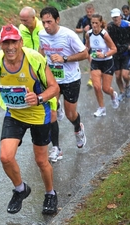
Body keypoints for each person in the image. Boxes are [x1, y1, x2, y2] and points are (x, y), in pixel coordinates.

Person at [0, 24, 60, 215]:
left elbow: (54, 87)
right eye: (6, 42)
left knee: (41, 161)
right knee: (5, 157)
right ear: (0, 44)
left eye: (13, 41)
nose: (10, 47)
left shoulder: (34, 59)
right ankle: (20, 189)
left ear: (20, 42)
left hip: (38, 115)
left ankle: (50, 193)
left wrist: (39, 98)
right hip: (15, 114)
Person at [39, 6, 89, 151]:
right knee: (51, 113)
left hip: (70, 79)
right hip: (52, 80)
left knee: (70, 115)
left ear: (57, 20)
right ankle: (56, 148)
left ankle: (78, 128)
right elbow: (41, 51)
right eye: (44, 22)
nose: (46, 26)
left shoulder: (69, 35)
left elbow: (84, 54)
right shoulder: (42, 34)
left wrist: (64, 58)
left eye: (49, 22)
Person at [19, 6, 63, 163]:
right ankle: (41, 146)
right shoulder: (21, 30)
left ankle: (56, 147)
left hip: (47, 72)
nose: (23, 23)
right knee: (35, 111)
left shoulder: (43, 28)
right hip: (31, 75)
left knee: (51, 114)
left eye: (25, 20)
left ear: (33, 18)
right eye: (21, 20)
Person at [85, 13, 119, 117]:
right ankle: (101, 108)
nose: (94, 25)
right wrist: (85, 54)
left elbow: (114, 49)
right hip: (95, 62)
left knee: (106, 88)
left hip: (107, 62)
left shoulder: (104, 34)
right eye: (92, 23)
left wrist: (104, 54)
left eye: (96, 23)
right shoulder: (88, 34)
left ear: (100, 23)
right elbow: (87, 47)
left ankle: (113, 94)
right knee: (96, 86)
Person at [107, 8, 130, 101]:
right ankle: (122, 92)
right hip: (116, 54)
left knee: (125, 75)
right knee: (117, 75)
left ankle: (127, 85)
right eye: (114, 18)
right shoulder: (110, 27)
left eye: (117, 17)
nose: (115, 19)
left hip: (126, 53)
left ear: (120, 16)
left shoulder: (127, 25)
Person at [75, 3, 95, 89]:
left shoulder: (97, 19)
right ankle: (94, 76)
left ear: (93, 11)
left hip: (95, 44)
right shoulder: (83, 19)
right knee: (91, 61)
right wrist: (83, 29)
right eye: (88, 12)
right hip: (86, 44)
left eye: (90, 12)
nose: (89, 13)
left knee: (92, 61)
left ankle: (92, 79)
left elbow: (103, 28)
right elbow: (76, 29)